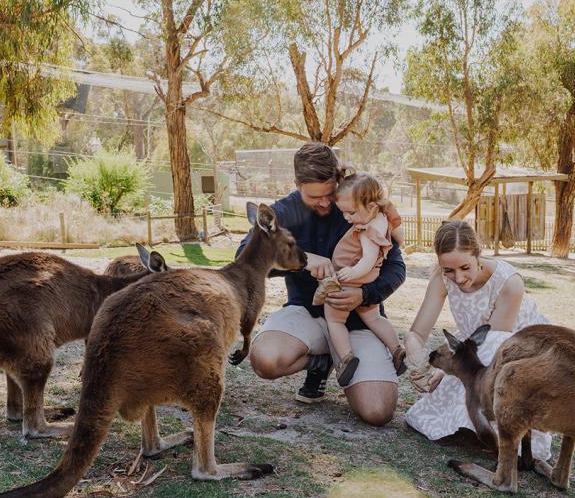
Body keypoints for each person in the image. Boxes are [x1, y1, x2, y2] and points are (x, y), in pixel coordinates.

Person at [237, 143, 405, 426]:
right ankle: (321, 360)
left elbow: (397, 267)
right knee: (265, 360)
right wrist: (301, 260)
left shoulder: (358, 202)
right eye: (315, 196)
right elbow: (244, 258)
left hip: (359, 320)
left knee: (378, 412)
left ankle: (343, 359)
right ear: (297, 185)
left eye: (330, 193)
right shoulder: (284, 211)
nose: (326, 203)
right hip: (307, 312)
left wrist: (363, 294)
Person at [402, 220, 553, 460]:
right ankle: (467, 427)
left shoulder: (509, 283)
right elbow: (416, 333)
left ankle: (497, 431)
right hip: (472, 349)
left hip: (516, 350)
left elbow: (493, 339)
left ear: (478, 254)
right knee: (427, 412)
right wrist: (416, 359)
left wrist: (446, 370)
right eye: (448, 270)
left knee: (482, 361)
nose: (458, 278)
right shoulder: (442, 279)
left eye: (464, 267)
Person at [321, 173, 407, 386]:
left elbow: (368, 259)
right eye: (344, 213)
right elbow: (400, 237)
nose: (347, 218)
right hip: (367, 281)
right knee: (375, 318)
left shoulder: (366, 230)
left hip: (351, 280)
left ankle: (346, 359)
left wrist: (352, 273)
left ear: (370, 206)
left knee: (334, 320)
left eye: (351, 213)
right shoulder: (382, 219)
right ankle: (397, 350)